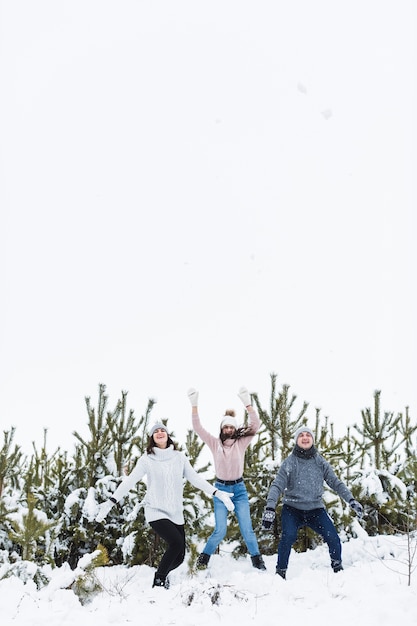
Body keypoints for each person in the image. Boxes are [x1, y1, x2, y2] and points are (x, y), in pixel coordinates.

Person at [95, 421, 234, 589]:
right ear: (152, 437)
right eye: (156, 431)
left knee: (179, 557)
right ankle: (158, 581)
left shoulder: (179, 458)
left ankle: (163, 575)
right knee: (175, 543)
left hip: (176, 513)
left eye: (163, 430)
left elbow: (195, 479)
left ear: (168, 435)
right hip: (155, 510)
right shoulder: (146, 460)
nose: (160, 433)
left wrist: (217, 493)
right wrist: (111, 501)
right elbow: (130, 481)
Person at [261, 426, 363, 579]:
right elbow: (277, 485)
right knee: (287, 536)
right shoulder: (290, 462)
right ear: (297, 440)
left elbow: (335, 482)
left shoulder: (320, 462)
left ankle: (338, 569)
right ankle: (280, 573)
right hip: (292, 508)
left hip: (315, 509)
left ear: (312, 439)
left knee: (332, 536)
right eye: (301, 435)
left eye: (308, 435)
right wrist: (270, 507)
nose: (305, 437)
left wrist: (351, 500)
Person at [187, 386, 266, 571]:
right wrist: (194, 405)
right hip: (220, 490)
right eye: (226, 426)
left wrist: (247, 403)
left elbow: (256, 424)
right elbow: (198, 428)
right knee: (220, 530)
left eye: (231, 426)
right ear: (222, 428)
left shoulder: (241, 442)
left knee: (247, 530)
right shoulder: (214, 443)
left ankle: (257, 560)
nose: (229, 429)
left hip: (239, 490)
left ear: (235, 428)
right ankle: (203, 560)